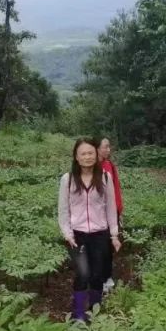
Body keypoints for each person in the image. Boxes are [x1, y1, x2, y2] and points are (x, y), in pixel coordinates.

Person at [58, 138, 121, 321]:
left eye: (90, 153)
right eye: (83, 153)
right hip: (76, 235)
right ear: (76, 157)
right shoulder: (67, 180)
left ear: (96, 155)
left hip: (100, 234)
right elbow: (63, 210)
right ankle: (78, 315)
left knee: (97, 275)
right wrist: (67, 234)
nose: (87, 157)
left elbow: (110, 208)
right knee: (83, 273)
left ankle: (95, 311)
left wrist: (114, 235)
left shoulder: (104, 178)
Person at [97, 137, 124, 293]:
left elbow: (116, 189)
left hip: (110, 212)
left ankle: (107, 278)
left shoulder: (110, 166)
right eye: (105, 147)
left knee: (108, 247)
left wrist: (118, 210)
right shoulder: (91, 167)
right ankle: (97, 279)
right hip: (96, 214)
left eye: (109, 147)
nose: (108, 150)